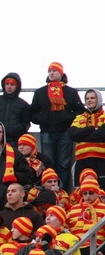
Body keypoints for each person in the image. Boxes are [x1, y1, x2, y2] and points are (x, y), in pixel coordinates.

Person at [30, 62, 84, 191]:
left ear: (61, 73)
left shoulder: (70, 92)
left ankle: (62, 192)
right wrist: (42, 118)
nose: (51, 73)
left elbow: (80, 111)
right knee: (49, 164)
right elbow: (32, 113)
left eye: (54, 70)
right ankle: (51, 192)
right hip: (46, 132)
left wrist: (67, 117)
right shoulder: (40, 92)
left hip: (65, 132)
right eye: (49, 71)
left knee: (63, 165)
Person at [69, 88, 105, 186]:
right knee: (80, 189)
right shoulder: (79, 117)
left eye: (92, 98)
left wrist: (82, 136)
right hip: (82, 160)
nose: (89, 100)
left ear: (99, 99)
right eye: (87, 98)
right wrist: (92, 129)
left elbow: (102, 134)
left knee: (102, 190)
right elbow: (72, 134)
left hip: (101, 159)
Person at [0, 72, 32, 148]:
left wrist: (14, 129)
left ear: (17, 86)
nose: (9, 86)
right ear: (4, 85)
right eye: (7, 84)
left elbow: (26, 124)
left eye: (12, 84)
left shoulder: (23, 104)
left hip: (14, 140)